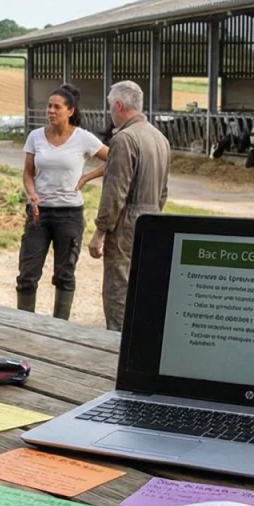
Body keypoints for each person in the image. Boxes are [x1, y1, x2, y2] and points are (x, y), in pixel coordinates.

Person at [16, 84, 108, 319]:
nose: (51, 111)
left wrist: (87, 177)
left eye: (57, 107)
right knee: (27, 275)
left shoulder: (83, 138)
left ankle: (60, 327)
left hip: (69, 214)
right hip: (39, 213)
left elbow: (114, 158)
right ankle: (24, 325)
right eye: (49, 106)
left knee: (64, 275)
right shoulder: (35, 137)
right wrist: (31, 193)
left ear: (70, 111)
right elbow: (28, 173)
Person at [88, 81, 171, 330]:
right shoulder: (160, 138)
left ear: (118, 105)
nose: (109, 112)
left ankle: (117, 342)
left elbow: (115, 191)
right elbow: (163, 191)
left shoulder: (124, 139)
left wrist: (101, 231)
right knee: (143, 286)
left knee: (119, 290)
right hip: (152, 218)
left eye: (109, 106)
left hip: (127, 221)